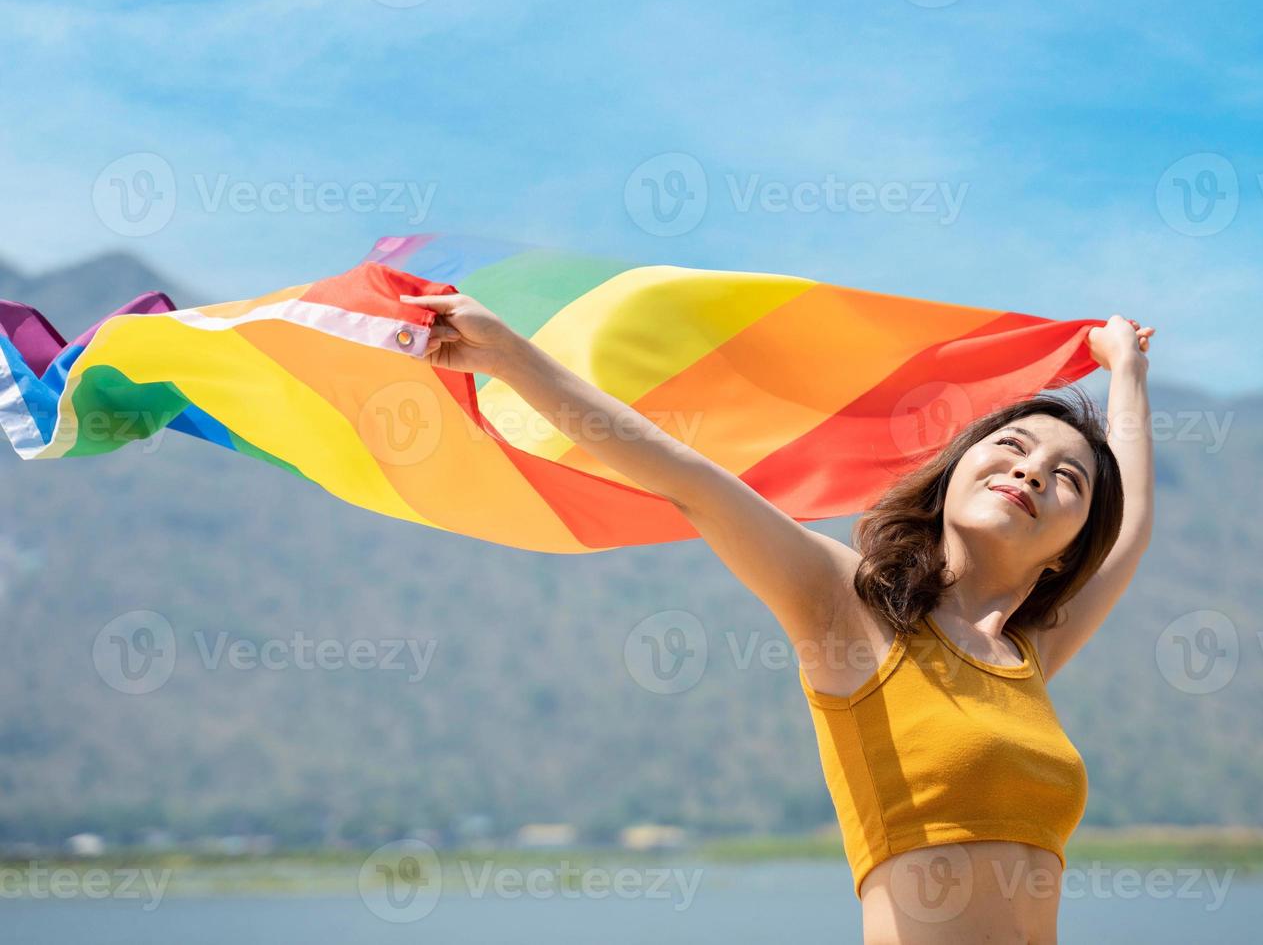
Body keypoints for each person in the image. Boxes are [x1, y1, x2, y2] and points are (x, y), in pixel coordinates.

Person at [405, 288, 1154, 944]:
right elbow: (686, 477)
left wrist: (1126, 371)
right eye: (1013, 445)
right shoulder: (851, 606)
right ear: (955, 471)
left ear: (1069, 550)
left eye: (1068, 479)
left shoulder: (1028, 656)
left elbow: (1135, 521)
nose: (1031, 470)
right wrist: (508, 357)